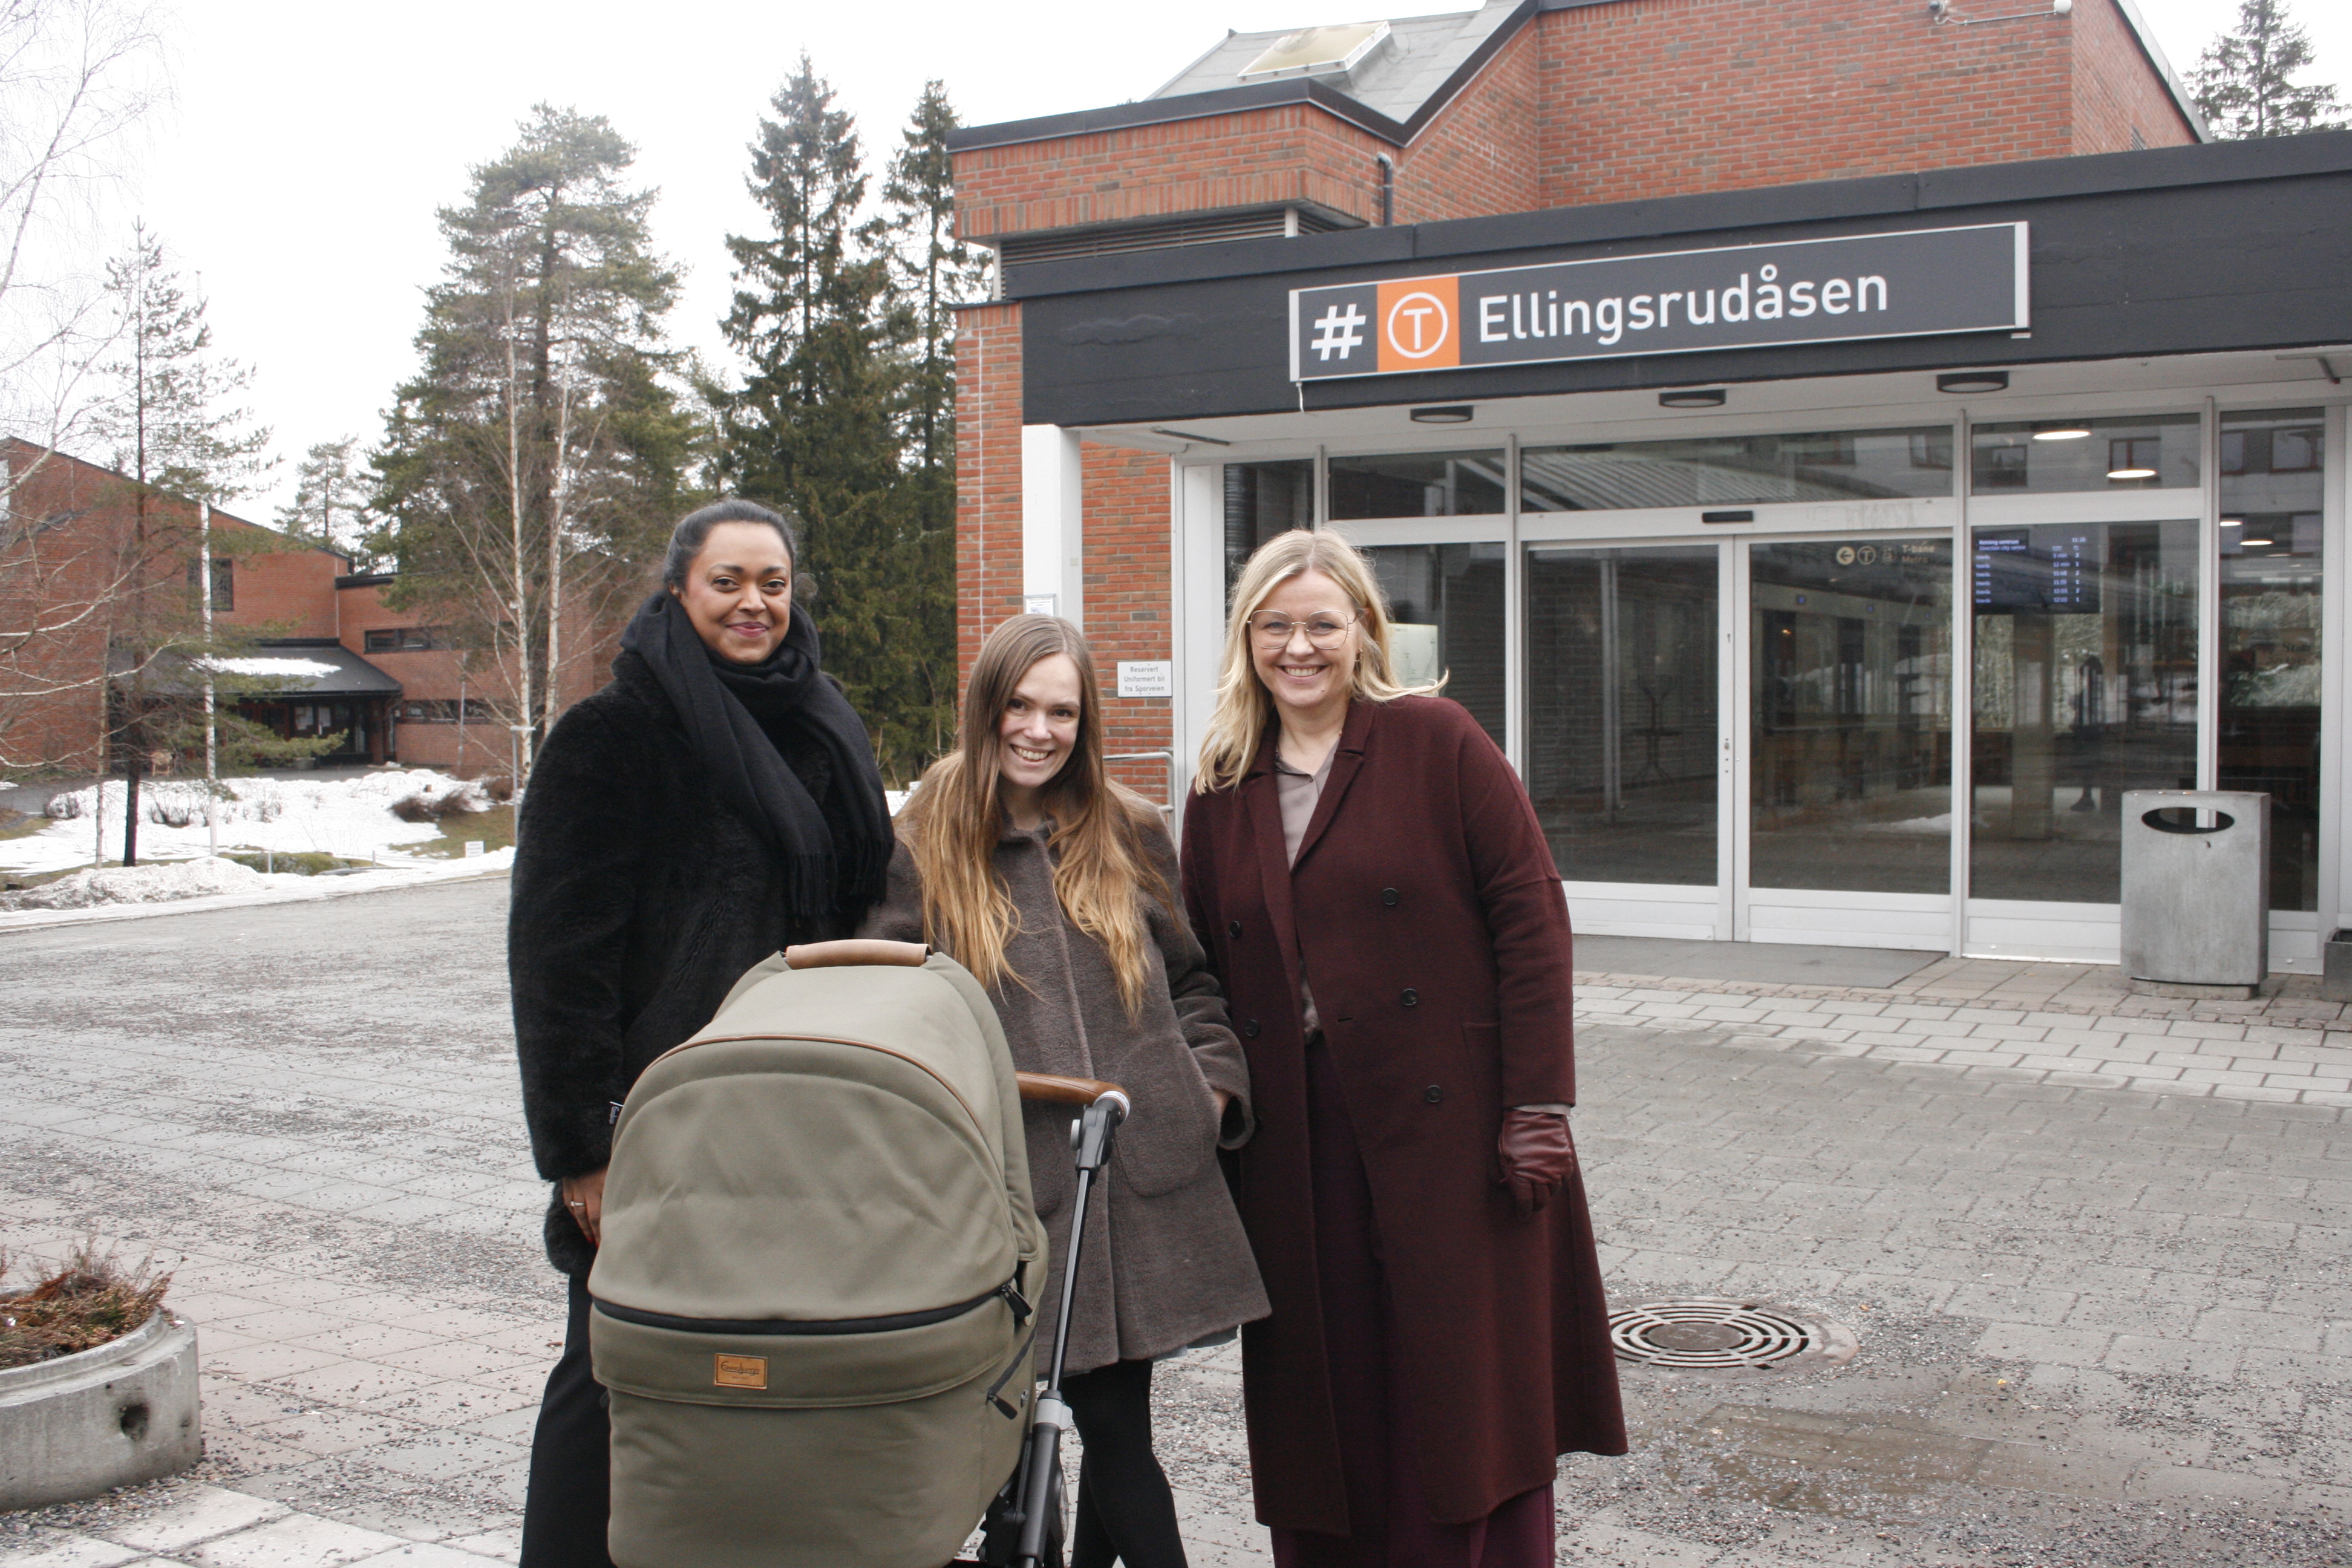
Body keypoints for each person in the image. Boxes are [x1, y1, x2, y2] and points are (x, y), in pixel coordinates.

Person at [1178, 529, 1626, 1568]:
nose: (1299, 647)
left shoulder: (1436, 740)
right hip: (1298, 1136)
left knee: (1458, 1386)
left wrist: (1537, 1105)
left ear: (1363, 632)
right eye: (1275, 626)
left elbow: (1531, 917)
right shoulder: (1221, 783)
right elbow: (1201, 962)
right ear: (1247, 639)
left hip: (1452, 1129)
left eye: (1321, 625)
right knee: (1323, 1387)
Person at [509, 498, 894, 1568]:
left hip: (797, 1116)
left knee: (761, 1379)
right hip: (659, 1122)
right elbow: (557, 961)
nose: (753, 603)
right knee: (612, 1369)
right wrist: (582, 1147)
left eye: (773, 582)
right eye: (728, 581)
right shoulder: (612, 737)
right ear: (680, 589)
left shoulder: (819, 726)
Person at [861, 613, 1268, 1568]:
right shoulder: (923, 841)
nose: (1039, 731)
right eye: (1020, 706)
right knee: (1068, 1436)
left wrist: (1207, 1092)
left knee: (1116, 1422)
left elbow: (1195, 984)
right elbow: (888, 1011)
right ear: (985, 708)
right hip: (1016, 1199)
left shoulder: (1130, 829)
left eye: (1062, 713)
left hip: (1140, 1183)